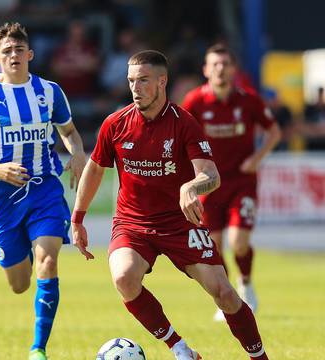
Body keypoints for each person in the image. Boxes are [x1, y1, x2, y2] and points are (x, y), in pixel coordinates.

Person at [72, 50, 268, 360]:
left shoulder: (183, 123)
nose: (136, 88)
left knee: (225, 294)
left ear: (162, 81)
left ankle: (259, 357)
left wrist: (192, 186)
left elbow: (210, 175)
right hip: (132, 223)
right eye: (131, 81)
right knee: (123, 277)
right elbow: (95, 169)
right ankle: (180, 349)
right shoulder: (116, 123)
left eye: (144, 81)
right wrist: (78, 217)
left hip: (180, 224)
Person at [0, 22, 87, 360]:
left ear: (30, 54)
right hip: (2, 197)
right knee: (19, 284)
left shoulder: (50, 91)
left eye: (18, 50)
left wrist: (78, 153)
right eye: (6, 51)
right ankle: (23, 249)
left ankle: (38, 348)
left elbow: (68, 131)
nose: (13, 55)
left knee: (49, 261)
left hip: (44, 190)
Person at [181, 44, 281, 320]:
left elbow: (274, 131)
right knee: (212, 244)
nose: (220, 69)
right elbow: (180, 135)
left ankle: (246, 285)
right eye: (214, 64)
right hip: (208, 184)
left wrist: (257, 158)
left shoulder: (249, 100)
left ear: (233, 69)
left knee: (238, 241)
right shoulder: (195, 102)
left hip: (241, 182)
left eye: (225, 63)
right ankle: (227, 297)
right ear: (205, 69)